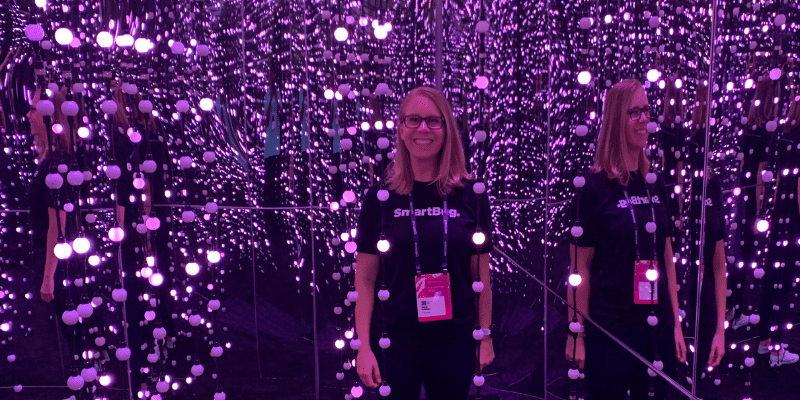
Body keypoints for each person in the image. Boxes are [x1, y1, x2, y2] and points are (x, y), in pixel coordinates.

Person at [354, 86, 494, 400]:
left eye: (433, 121)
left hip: (454, 342)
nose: (423, 129)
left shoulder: (472, 194)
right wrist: (363, 346)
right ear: (401, 129)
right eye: (414, 120)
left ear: (446, 130)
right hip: (394, 342)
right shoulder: (380, 198)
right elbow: (364, 280)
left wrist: (484, 336)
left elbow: (481, 276)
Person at [567, 79, 686, 400]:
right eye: (634, 112)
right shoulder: (593, 188)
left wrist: (674, 321)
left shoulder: (655, 181)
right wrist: (576, 332)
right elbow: (580, 271)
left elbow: (666, 256)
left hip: (655, 321)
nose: (644, 118)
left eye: (647, 110)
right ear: (616, 119)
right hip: (610, 327)